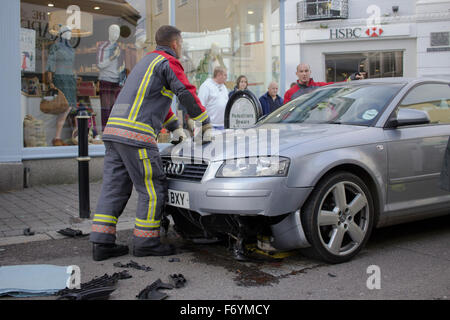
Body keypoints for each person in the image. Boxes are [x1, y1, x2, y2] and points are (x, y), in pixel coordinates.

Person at [89, 25, 212, 261]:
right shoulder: (168, 62)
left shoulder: (145, 64)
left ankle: (102, 244)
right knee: (153, 188)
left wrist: (175, 128)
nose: (182, 47)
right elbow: (184, 92)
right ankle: (146, 242)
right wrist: (204, 122)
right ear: (175, 44)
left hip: (114, 135)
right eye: (182, 44)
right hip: (136, 137)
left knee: (113, 188)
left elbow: (151, 99)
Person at [45, 25, 75, 146]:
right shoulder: (56, 47)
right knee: (63, 109)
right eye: (67, 32)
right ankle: (57, 137)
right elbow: (50, 64)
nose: (70, 34)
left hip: (70, 80)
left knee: (69, 108)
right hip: (60, 79)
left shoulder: (71, 49)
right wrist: (50, 81)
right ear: (62, 34)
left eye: (70, 32)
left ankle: (61, 137)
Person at [97, 24, 126, 131]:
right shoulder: (103, 47)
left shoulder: (119, 47)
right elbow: (100, 64)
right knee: (106, 108)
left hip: (117, 81)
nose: (116, 34)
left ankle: (115, 130)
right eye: (114, 31)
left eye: (118, 32)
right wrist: (113, 56)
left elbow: (122, 65)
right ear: (109, 32)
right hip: (106, 79)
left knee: (117, 108)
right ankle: (105, 131)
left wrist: (123, 80)